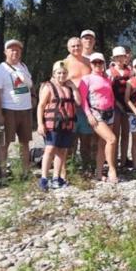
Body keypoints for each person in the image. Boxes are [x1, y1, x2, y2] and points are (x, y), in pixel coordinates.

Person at [0, 39, 34, 181]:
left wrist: (33, 97)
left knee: (25, 143)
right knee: (4, 143)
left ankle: (26, 172)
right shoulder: (0, 70)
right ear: (5, 52)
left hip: (25, 110)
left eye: (17, 49)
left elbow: (29, 85)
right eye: (11, 49)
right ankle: (3, 174)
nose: (15, 52)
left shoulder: (23, 66)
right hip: (8, 110)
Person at [36, 61, 77, 191]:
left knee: (62, 151)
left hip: (66, 123)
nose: (62, 75)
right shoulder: (48, 87)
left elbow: (79, 102)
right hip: (52, 124)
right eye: (59, 73)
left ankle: (56, 177)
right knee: (50, 149)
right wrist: (40, 124)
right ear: (54, 74)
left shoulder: (69, 88)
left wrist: (74, 87)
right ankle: (43, 178)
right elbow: (41, 106)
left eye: (64, 73)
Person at [80, 53, 119, 183]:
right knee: (112, 139)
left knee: (103, 143)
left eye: (100, 62)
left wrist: (113, 108)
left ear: (104, 64)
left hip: (109, 112)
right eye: (94, 63)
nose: (97, 65)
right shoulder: (86, 79)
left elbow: (111, 96)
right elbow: (83, 100)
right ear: (90, 64)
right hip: (96, 113)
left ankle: (98, 172)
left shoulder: (107, 79)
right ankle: (112, 170)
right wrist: (89, 115)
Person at [64, 31, 96, 170]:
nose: (76, 48)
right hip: (70, 106)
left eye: (78, 45)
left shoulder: (89, 62)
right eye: (73, 46)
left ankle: (87, 167)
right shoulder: (64, 63)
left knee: (86, 138)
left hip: (87, 106)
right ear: (68, 48)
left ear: (82, 46)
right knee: (71, 140)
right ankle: (70, 169)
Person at [108, 46, 132, 167]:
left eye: (121, 56)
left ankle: (124, 160)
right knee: (115, 134)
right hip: (115, 106)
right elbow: (109, 91)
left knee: (126, 134)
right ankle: (114, 161)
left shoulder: (130, 71)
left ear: (125, 57)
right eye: (117, 57)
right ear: (114, 58)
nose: (119, 59)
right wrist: (118, 104)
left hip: (128, 105)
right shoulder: (109, 72)